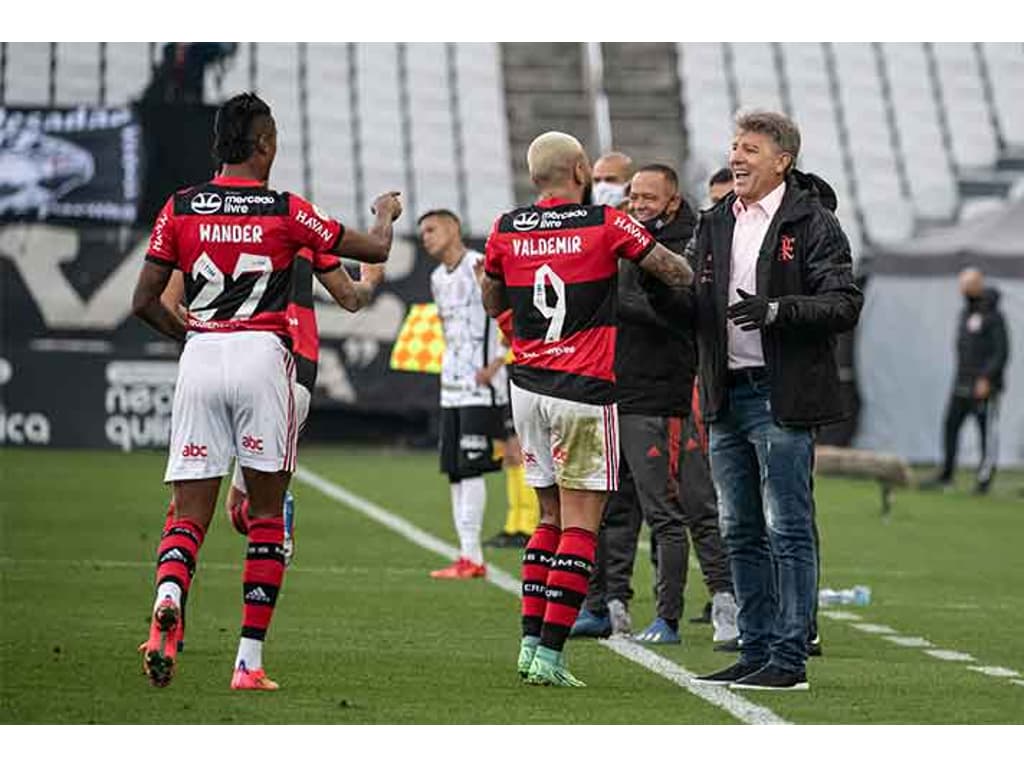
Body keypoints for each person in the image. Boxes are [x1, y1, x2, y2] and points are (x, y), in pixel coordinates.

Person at [131, 91, 402, 690]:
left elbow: (143, 301)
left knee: (187, 516)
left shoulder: (180, 207)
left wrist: (194, 336)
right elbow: (376, 252)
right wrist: (385, 211)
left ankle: (169, 598)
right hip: (263, 357)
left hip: (201, 354)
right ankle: (248, 663)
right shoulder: (285, 210)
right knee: (264, 516)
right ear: (264, 145)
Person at [480, 130, 693, 687]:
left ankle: (530, 645)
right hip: (583, 387)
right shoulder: (606, 223)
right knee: (582, 526)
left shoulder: (505, 227)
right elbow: (676, 270)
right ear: (580, 171)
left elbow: (492, 298)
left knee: (546, 518)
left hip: (526, 385)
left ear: (533, 176)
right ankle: (551, 655)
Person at [686, 111, 863, 692]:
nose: (737, 157)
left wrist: (777, 311)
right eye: (735, 146)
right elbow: (692, 302)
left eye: (751, 149)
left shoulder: (812, 221)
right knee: (738, 528)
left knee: (787, 526)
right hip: (725, 392)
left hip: (780, 395)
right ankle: (755, 649)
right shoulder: (714, 221)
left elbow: (843, 303)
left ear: (782, 160)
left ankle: (789, 658)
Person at [418, 209, 509, 579]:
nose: (425, 237)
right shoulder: (437, 278)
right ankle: (466, 555)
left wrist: (499, 361)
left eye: (431, 229)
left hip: (481, 387)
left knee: (471, 468)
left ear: (454, 228)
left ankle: (473, 556)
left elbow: (507, 312)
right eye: (422, 232)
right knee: (455, 471)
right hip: (451, 387)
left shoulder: (481, 266)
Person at [923, 268, 1009, 494]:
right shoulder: (965, 313)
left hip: (983, 386)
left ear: (977, 285)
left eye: (966, 285)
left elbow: (1001, 352)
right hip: (961, 382)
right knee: (950, 425)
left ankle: (984, 478)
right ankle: (947, 472)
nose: (962, 289)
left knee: (986, 433)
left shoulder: (994, 316)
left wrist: (986, 379)